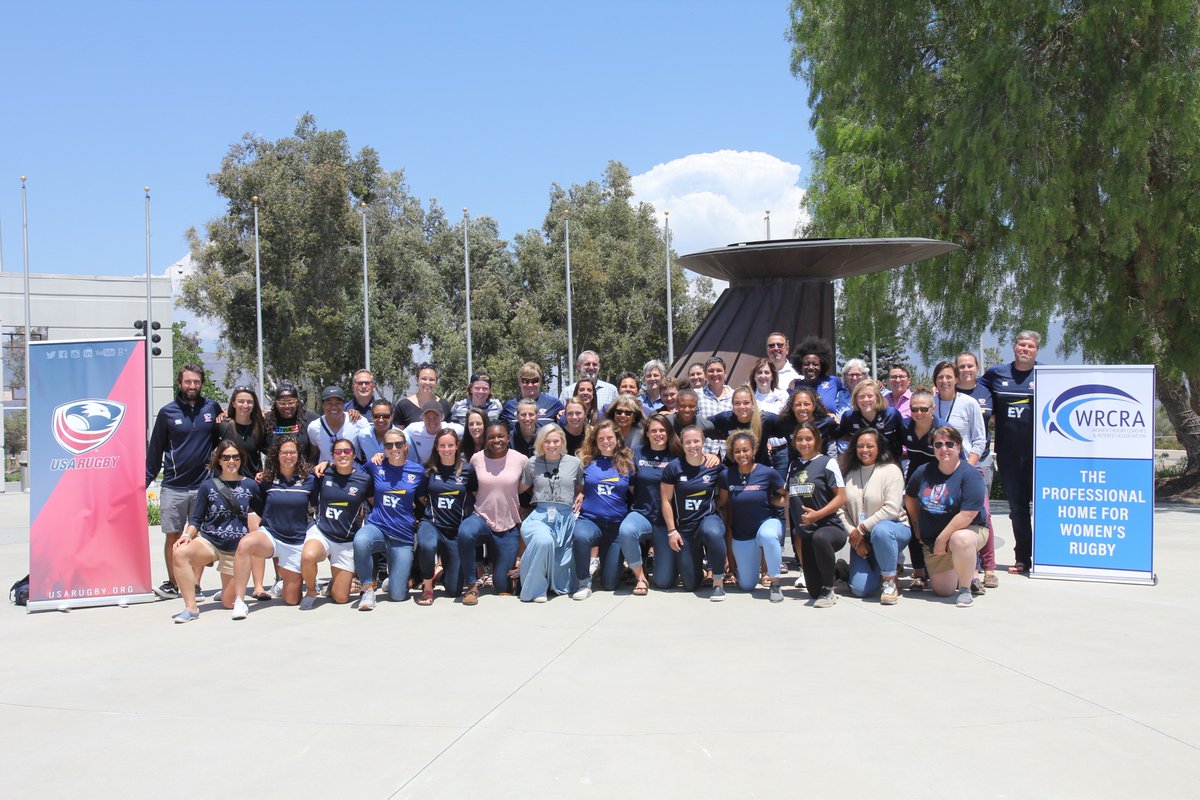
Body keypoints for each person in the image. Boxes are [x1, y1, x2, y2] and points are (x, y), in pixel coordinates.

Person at [146, 363, 223, 600]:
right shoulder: (167, 412)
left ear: (201, 383)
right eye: (188, 382)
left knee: (198, 537)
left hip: (203, 485)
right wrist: (145, 481)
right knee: (173, 536)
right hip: (173, 486)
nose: (192, 386)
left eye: (196, 382)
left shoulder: (212, 407)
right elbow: (155, 449)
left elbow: (224, 438)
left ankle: (195, 585)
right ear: (180, 383)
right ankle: (173, 583)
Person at [168, 440, 260, 622]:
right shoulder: (208, 486)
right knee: (180, 553)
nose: (231, 461)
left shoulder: (251, 486)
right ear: (219, 461)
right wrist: (187, 535)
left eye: (235, 457)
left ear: (241, 460)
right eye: (226, 457)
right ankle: (190, 608)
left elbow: (262, 514)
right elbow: (196, 518)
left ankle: (227, 591)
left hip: (236, 549)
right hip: (210, 541)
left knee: (228, 602)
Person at [904, 426, 989, 607]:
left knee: (960, 539)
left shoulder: (970, 474)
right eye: (938, 444)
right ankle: (962, 566)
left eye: (949, 444)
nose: (944, 449)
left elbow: (968, 515)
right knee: (943, 591)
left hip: (970, 530)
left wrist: (943, 538)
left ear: (959, 447)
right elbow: (909, 497)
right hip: (933, 539)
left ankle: (966, 588)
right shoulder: (923, 471)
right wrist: (917, 523)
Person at [979, 331, 1040, 574]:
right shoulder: (997, 373)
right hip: (1009, 455)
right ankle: (1023, 558)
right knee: (1018, 509)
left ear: (1036, 350)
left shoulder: (1046, 374)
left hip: (1041, 457)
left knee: (1046, 507)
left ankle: (1048, 556)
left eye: (1030, 346)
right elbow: (973, 388)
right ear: (1014, 348)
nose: (1025, 349)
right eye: (1021, 345)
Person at [231, 436, 315, 610]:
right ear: (277, 455)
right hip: (272, 536)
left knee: (292, 600)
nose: (288, 456)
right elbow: (259, 505)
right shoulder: (266, 480)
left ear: (298, 455)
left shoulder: (310, 479)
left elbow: (317, 503)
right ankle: (239, 600)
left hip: (296, 541)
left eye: (292, 452)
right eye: (284, 452)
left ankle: (287, 582)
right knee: (245, 544)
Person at [354, 429, 427, 609]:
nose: (394, 448)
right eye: (388, 445)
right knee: (361, 540)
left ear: (405, 447)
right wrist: (328, 465)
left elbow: (423, 500)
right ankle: (367, 589)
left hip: (402, 534)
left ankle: (392, 581)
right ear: (383, 448)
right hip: (378, 527)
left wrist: (420, 520)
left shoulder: (417, 471)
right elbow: (352, 475)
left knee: (398, 595)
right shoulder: (375, 465)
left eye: (398, 444)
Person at [299, 438, 374, 610]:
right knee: (308, 556)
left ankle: (335, 584)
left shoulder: (363, 479)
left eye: (347, 451)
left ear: (354, 455)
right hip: (322, 532)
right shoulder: (323, 474)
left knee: (340, 598)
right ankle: (311, 591)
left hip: (345, 541)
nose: (342, 455)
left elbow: (373, 503)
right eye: (338, 452)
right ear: (332, 456)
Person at [459, 423, 529, 604]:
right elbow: (472, 486)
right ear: (485, 439)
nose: (496, 440)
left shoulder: (520, 459)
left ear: (507, 437)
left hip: (508, 523)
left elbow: (527, 486)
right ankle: (471, 586)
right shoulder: (477, 459)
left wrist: (522, 507)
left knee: (502, 585)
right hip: (481, 517)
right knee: (465, 532)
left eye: (501, 436)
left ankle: (504, 579)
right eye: (491, 437)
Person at [839, 429, 911, 603]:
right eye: (860, 446)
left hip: (892, 530)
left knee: (881, 531)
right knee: (860, 590)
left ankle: (889, 582)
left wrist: (861, 529)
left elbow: (892, 509)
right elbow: (841, 510)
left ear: (879, 447)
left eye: (870, 446)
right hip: (861, 537)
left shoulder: (891, 470)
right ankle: (846, 570)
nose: (865, 450)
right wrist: (854, 535)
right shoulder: (849, 472)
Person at [659, 425, 729, 600]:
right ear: (682, 444)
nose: (692, 445)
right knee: (690, 585)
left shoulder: (714, 465)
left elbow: (724, 497)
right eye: (688, 442)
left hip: (707, 519)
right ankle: (702, 568)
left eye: (696, 441)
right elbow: (666, 500)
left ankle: (718, 582)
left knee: (712, 532)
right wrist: (672, 531)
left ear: (703, 442)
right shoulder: (673, 467)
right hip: (685, 527)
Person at [518, 424, 584, 602]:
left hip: (565, 519)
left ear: (562, 441)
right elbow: (519, 488)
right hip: (540, 516)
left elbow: (581, 486)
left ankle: (549, 584)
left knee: (564, 584)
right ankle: (535, 590)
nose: (552, 445)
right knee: (543, 540)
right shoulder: (532, 463)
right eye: (547, 441)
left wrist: (582, 494)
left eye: (556, 441)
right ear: (541, 443)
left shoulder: (574, 462)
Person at [719, 431, 786, 601]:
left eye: (746, 450)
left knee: (767, 536)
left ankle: (775, 583)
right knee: (747, 585)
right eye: (737, 451)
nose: (742, 454)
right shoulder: (727, 475)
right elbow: (722, 502)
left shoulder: (767, 472)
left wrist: (773, 500)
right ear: (732, 454)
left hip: (767, 523)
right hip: (742, 534)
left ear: (754, 450)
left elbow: (787, 495)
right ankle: (749, 570)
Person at [572, 420, 634, 599]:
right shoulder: (586, 461)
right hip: (590, 520)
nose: (606, 441)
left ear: (617, 438)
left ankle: (607, 566)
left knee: (609, 584)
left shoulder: (627, 462)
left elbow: (635, 493)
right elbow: (578, 487)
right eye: (601, 438)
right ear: (595, 440)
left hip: (615, 526)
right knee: (581, 536)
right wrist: (581, 493)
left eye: (610, 437)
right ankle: (583, 582)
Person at [786, 422, 847, 608]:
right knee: (813, 591)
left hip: (829, 528)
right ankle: (839, 571)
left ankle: (829, 591)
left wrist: (817, 515)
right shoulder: (794, 465)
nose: (804, 443)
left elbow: (841, 497)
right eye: (799, 439)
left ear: (817, 440)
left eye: (808, 439)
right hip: (806, 533)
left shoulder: (827, 462)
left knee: (820, 538)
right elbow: (787, 498)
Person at [956, 351, 1000, 588]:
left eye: (970, 366)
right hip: (953, 464)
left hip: (978, 462)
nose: (966, 370)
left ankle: (989, 568)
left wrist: (971, 465)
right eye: (961, 366)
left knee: (984, 514)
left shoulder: (987, 393)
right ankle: (970, 567)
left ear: (977, 367)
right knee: (962, 515)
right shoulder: (946, 393)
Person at [417, 429, 474, 603]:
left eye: (450, 445)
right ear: (437, 447)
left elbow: (475, 495)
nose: (446, 449)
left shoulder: (467, 471)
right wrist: (431, 509)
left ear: (457, 446)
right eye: (442, 445)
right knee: (427, 545)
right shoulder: (429, 471)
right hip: (432, 524)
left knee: (454, 590)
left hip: (454, 530)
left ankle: (440, 571)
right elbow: (420, 496)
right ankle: (427, 588)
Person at [838, 379, 905, 463]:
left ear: (877, 397)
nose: (866, 400)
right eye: (861, 396)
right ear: (855, 399)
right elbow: (841, 435)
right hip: (860, 466)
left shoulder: (892, 415)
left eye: (870, 396)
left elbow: (904, 438)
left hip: (889, 465)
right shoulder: (849, 417)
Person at [709, 384, 776, 466]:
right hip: (732, 470)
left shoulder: (765, 419)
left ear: (753, 403)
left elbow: (788, 424)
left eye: (746, 403)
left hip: (760, 469)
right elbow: (701, 425)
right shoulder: (725, 419)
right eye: (737, 403)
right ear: (732, 405)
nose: (742, 407)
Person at [788, 337, 849, 415]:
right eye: (807, 364)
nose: (810, 367)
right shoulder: (796, 385)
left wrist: (840, 416)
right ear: (800, 366)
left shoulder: (833, 381)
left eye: (815, 364)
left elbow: (847, 397)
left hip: (829, 425)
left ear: (822, 366)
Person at [307, 386, 368, 464]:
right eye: (329, 403)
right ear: (323, 405)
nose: (333, 407)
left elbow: (371, 445)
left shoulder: (357, 421)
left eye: (338, 403)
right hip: (327, 474)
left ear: (344, 404)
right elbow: (314, 453)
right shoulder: (314, 427)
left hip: (354, 474)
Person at [218, 386, 268, 477]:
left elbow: (270, 452)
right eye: (241, 401)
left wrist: (266, 472)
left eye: (249, 402)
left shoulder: (260, 427)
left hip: (252, 484)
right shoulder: (223, 426)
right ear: (233, 403)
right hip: (226, 484)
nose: (245, 405)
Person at [501, 362, 564, 428]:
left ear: (540, 381)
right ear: (519, 382)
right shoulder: (509, 407)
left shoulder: (554, 404)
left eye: (535, 380)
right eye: (525, 381)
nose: (530, 385)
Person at [264, 381, 318, 455]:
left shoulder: (312, 420)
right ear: (276, 404)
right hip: (274, 466)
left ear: (297, 402)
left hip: (305, 465)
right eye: (282, 403)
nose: (287, 406)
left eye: (291, 402)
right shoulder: (266, 420)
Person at [404, 400, 463, 464]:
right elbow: (398, 435)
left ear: (442, 417)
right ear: (422, 418)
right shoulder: (414, 429)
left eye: (435, 417)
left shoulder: (454, 429)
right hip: (424, 469)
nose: (432, 421)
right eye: (428, 418)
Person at [395, 362, 453, 427]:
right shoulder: (403, 406)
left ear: (436, 381)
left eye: (431, 379)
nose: (427, 383)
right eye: (424, 379)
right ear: (417, 379)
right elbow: (398, 434)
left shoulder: (444, 405)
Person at [697, 357, 733, 458]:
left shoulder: (735, 396)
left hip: (730, 455)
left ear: (725, 373)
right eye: (711, 371)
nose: (715, 374)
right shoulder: (697, 396)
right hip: (705, 454)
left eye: (719, 370)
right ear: (705, 374)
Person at [355, 398, 397, 465]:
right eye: (376, 416)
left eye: (385, 416)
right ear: (371, 416)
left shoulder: (403, 437)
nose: (381, 420)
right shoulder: (362, 435)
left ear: (392, 417)